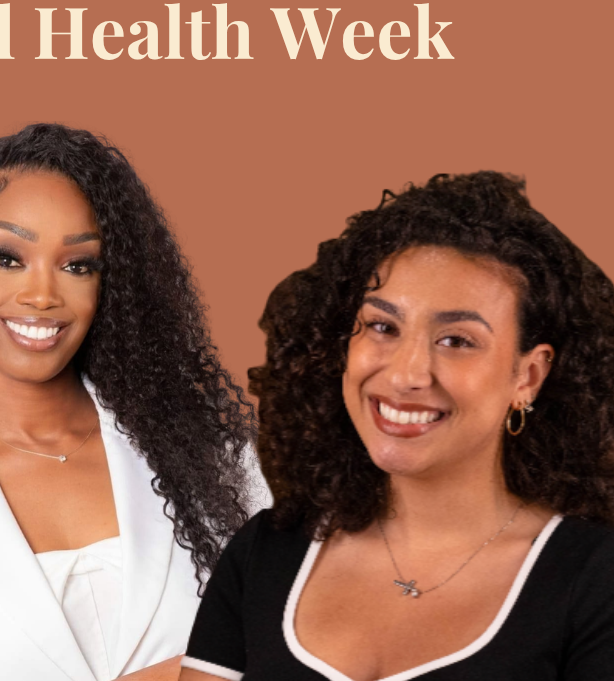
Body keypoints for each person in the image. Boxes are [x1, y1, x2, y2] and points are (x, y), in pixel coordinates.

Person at [0, 123, 266, 681]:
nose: (42, 295)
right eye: (6, 258)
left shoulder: (219, 461)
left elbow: (292, 649)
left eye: (77, 265)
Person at [180, 171, 614, 681]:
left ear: (528, 376)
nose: (407, 374)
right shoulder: (267, 553)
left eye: (457, 340)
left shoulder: (594, 578)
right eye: (383, 327)